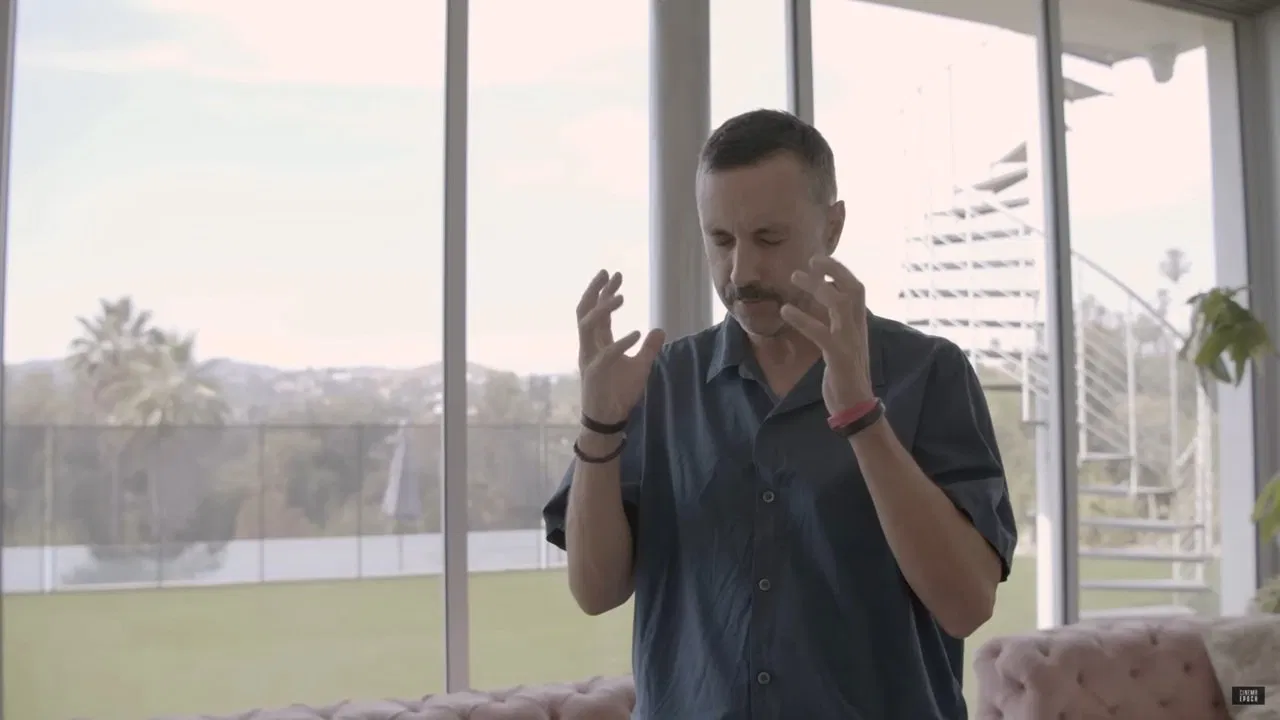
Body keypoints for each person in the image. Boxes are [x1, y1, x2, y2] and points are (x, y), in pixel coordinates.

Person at [542, 109, 1017, 720]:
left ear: (832, 227)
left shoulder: (928, 373)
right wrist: (600, 426)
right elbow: (595, 590)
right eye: (721, 240)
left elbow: (966, 605)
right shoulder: (661, 382)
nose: (741, 272)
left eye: (768, 239)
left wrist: (862, 418)